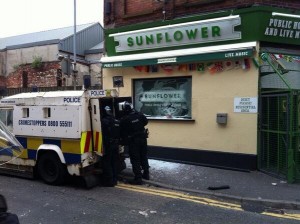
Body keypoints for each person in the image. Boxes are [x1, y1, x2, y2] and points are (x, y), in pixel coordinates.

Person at [120, 101, 149, 185]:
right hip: (143, 139)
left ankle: (138, 178)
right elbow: (146, 122)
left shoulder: (125, 119)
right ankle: (146, 174)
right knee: (143, 156)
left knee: (135, 159)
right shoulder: (140, 115)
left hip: (133, 141)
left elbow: (122, 130)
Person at [101, 106, 120, 187]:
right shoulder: (116, 121)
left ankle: (109, 181)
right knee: (114, 162)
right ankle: (115, 179)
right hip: (116, 143)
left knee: (107, 162)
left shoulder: (105, 121)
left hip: (109, 144)